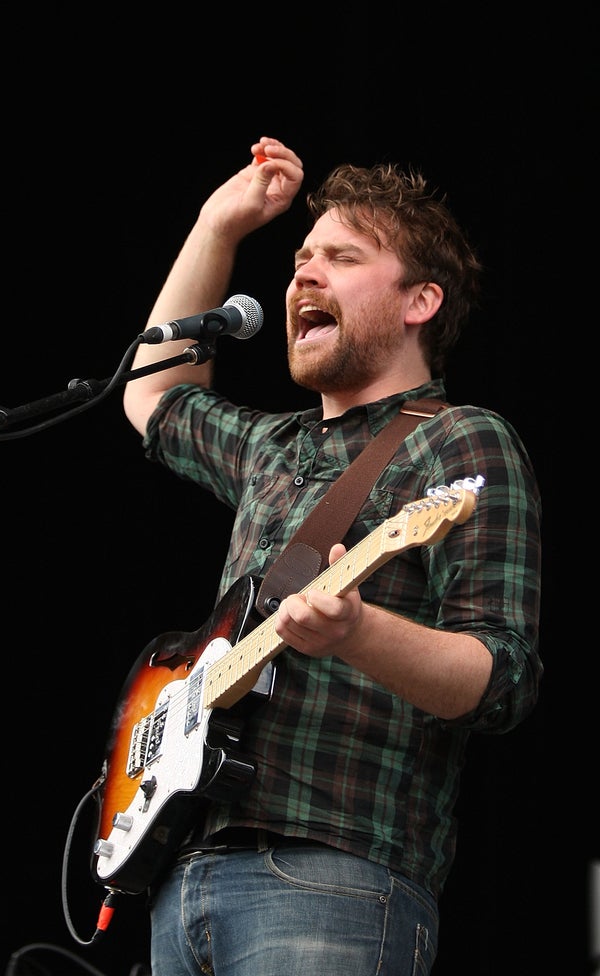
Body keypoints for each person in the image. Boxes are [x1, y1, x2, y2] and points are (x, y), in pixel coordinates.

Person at [122, 135, 542, 975]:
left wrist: (357, 633)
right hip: (186, 871)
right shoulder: (274, 446)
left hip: (337, 874)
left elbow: (503, 677)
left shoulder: (462, 442)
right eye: (300, 260)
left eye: (340, 258)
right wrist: (218, 224)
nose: (302, 276)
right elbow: (152, 393)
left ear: (421, 300)